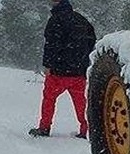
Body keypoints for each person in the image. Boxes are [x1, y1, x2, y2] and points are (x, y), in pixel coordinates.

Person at [29, 0, 96, 139]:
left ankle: (44, 127)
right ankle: (86, 130)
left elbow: (51, 44)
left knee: (49, 99)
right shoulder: (81, 19)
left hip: (58, 72)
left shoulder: (55, 21)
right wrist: (84, 60)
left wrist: (47, 65)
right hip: (78, 72)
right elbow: (92, 40)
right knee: (81, 102)